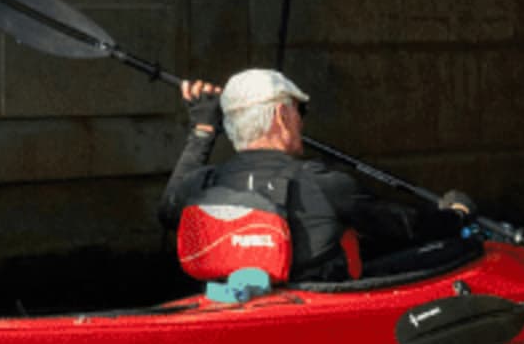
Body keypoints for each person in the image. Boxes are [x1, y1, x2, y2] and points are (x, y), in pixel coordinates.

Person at [163, 68, 473, 297]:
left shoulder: (202, 184)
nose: (302, 120)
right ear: (283, 116)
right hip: (320, 302)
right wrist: (455, 215)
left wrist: (202, 129)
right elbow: (407, 226)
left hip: (231, 302)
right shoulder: (322, 183)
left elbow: (168, 209)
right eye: (301, 110)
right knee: (462, 248)